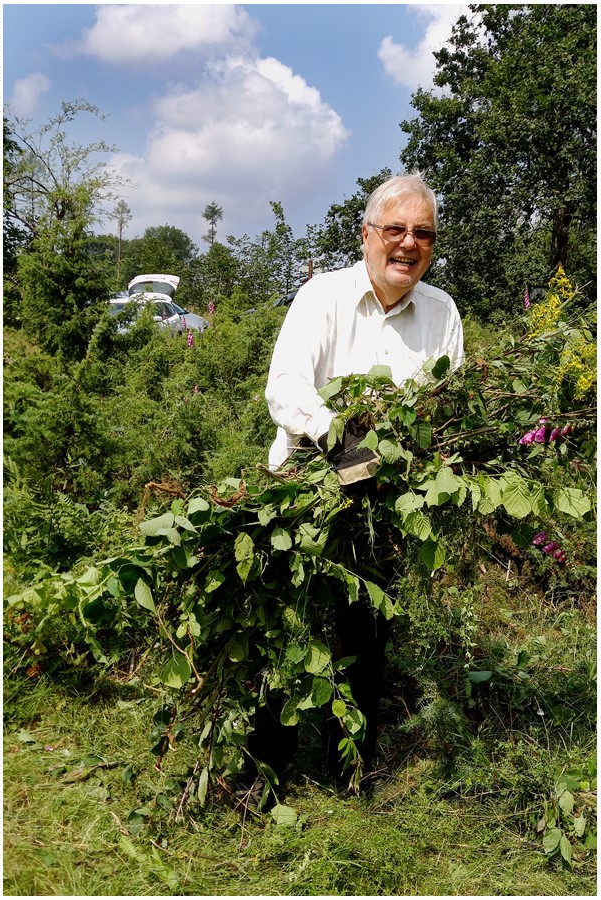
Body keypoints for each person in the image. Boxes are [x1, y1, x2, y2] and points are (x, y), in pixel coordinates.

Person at [252, 172, 464, 798]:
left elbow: (441, 407)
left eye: (421, 233)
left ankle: (354, 773)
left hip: (383, 503)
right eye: (394, 229)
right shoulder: (323, 296)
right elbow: (286, 387)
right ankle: (262, 771)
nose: (407, 244)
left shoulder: (442, 312)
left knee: (367, 631)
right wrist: (341, 444)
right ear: (367, 234)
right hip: (306, 485)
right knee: (285, 629)